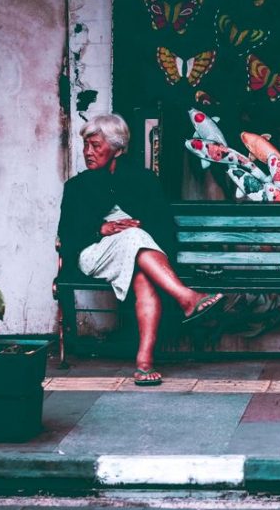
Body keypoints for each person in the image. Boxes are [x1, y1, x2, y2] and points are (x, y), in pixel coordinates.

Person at [57, 114, 224, 387]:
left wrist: (139, 225)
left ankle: (144, 363)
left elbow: (162, 226)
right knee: (134, 237)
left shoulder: (142, 180)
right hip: (93, 255)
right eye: (86, 145)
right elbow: (67, 235)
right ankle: (186, 297)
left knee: (143, 273)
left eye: (96, 145)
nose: (88, 152)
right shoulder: (77, 187)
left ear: (117, 148)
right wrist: (101, 229)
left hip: (139, 253)